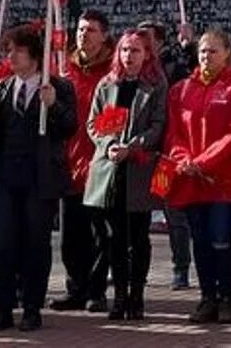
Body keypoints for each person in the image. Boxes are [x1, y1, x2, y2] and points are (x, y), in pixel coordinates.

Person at [0, 24, 76, 332]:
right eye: (8, 51)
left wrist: (53, 105)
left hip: (39, 179)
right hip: (5, 179)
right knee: (2, 244)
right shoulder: (1, 89)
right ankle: (3, 308)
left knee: (35, 244)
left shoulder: (58, 87)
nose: (11, 57)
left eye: (17, 50)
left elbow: (70, 127)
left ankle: (32, 307)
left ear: (34, 54)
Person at [163, 27, 231, 325]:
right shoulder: (182, 89)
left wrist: (204, 162)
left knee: (220, 239)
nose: (206, 56)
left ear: (228, 53)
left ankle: (228, 298)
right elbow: (174, 134)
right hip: (191, 178)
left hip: (222, 181)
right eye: (203, 50)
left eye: (213, 50)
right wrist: (184, 160)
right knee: (200, 240)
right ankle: (207, 298)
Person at [83, 27, 168, 322]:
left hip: (139, 169)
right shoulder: (108, 84)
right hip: (110, 170)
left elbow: (158, 125)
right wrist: (109, 146)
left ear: (147, 55)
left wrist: (131, 148)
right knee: (115, 239)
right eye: (124, 50)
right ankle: (118, 295)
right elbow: (94, 123)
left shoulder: (156, 85)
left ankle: (137, 296)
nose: (129, 56)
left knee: (139, 238)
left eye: (135, 51)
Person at [52, 9, 114, 313]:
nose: (83, 35)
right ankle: (74, 287)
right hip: (69, 161)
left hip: (101, 161)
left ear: (104, 35)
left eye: (90, 30)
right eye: (80, 29)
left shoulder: (112, 71)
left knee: (100, 233)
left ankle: (96, 289)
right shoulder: (66, 70)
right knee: (70, 234)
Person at [139, 19, 194, 291]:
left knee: (174, 214)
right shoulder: (135, 68)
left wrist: (189, 49)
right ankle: (135, 267)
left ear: (159, 41)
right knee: (136, 212)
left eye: (147, 38)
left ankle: (181, 268)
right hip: (141, 151)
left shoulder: (174, 65)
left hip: (166, 152)